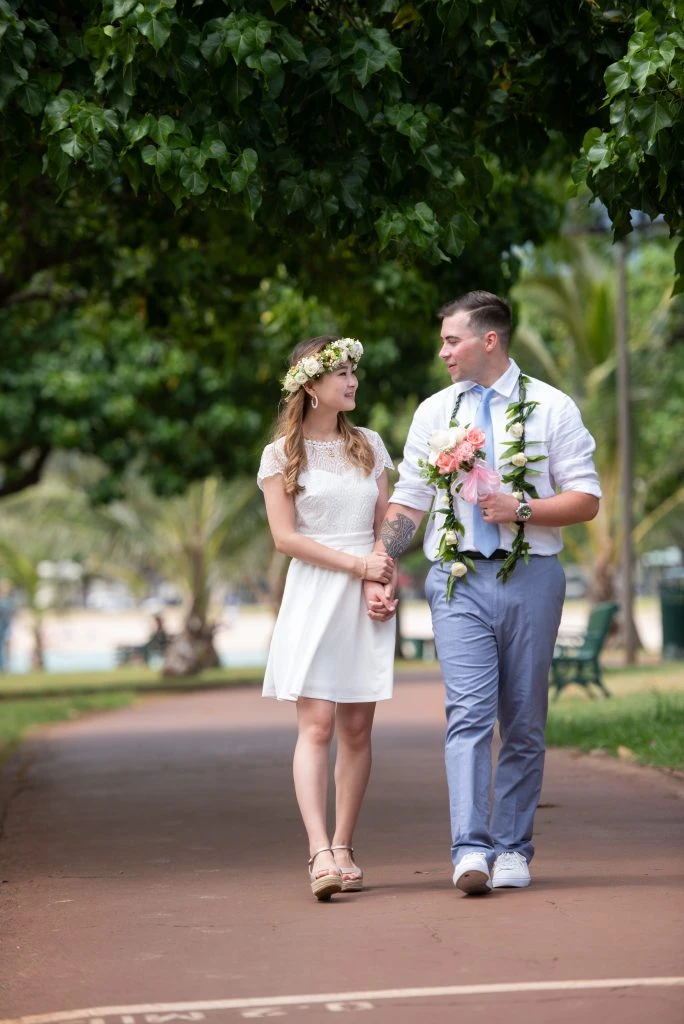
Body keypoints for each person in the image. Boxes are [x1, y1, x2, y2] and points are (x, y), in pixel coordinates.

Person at [366, 291, 601, 895]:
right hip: (457, 578)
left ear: (488, 340)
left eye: (452, 339)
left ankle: (513, 848)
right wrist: (383, 559)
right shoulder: (433, 414)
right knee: (468, 715)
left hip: (533, 578)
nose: (443, 350)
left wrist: (522, 508)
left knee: (523, 720)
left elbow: (586, 498)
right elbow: (411, 497)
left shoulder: (553, 407)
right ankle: (470, 849)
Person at [257, 335, 396, 901]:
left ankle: (344, 844)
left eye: (353, 371)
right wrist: (355, 564)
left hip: (366, 590)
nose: (352, 381)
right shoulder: (280, 455)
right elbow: (285, 538)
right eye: (339, 373)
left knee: (357, 729)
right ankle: (317, 852)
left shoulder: (371, 444)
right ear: (309, 386)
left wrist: (381, 576)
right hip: (315, 593)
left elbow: (389, 523)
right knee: (316, 726)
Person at [0, 579, 17, 673]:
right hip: (5, 626)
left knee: (4, 646)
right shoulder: (8, 601)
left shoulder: (8, 601)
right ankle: (4, 666)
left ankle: (4, 666)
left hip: (5, 626)